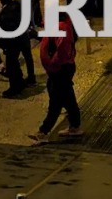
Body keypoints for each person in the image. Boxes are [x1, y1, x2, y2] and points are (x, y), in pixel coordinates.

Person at [31, 12, 82, 142]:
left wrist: (53, 65)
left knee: (56, 101)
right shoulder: (58, 27)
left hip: (60, 69)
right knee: (67, 98)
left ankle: (43, 131)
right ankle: (75, 126)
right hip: (60, 69)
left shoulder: (61, 28)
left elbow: (62, 51)